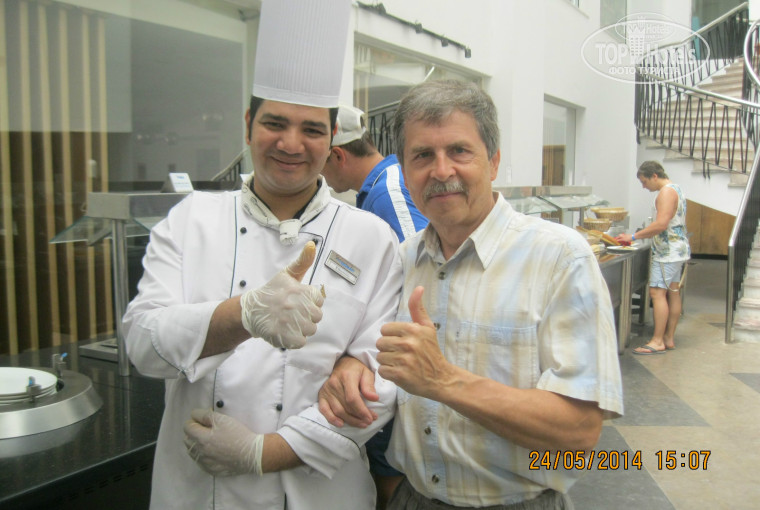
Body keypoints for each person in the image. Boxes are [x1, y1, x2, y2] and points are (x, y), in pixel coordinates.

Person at [122, 1, 402, 508]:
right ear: (249, 124)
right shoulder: (191, 220)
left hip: (322, 494)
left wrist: (264, 453)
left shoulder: (371, 238)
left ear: (332, 140)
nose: (291, 144)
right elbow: (142, 344)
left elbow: (377, 389)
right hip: (202, 489)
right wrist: (242, 315)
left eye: (312, 129)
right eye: (275, 123)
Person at [318, 80, 624, 509]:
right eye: (423, 155)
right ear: (404, 170)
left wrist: (443, 380)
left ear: (494, 161)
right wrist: (353, 363)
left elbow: (580, 431)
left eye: (459, 151)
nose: (441, 171)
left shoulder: (559, 258)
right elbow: (372, 354)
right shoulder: (400, 261)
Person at [323, 104, 428, 508]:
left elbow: (422, 274)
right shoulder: (380, 187)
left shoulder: (387, 192)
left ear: (337, 155)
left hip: (397, 360)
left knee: (390, 474)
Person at [616, 160, 690, 354]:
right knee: (673, 292)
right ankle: (668, 338)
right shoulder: (676, 189)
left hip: (668, 252)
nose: (643, 186)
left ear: (654, 176)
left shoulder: (665, 193)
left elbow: (661, 224)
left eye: (644, 181)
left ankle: (657, 341)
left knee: (657, 293)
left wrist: (633, 237)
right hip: (678, 249)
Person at [322, 105, 428, 240]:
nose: (319, 172)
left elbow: (418, 253)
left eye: (320, 160)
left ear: (338, 156)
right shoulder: (388, 182)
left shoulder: (386, 194)